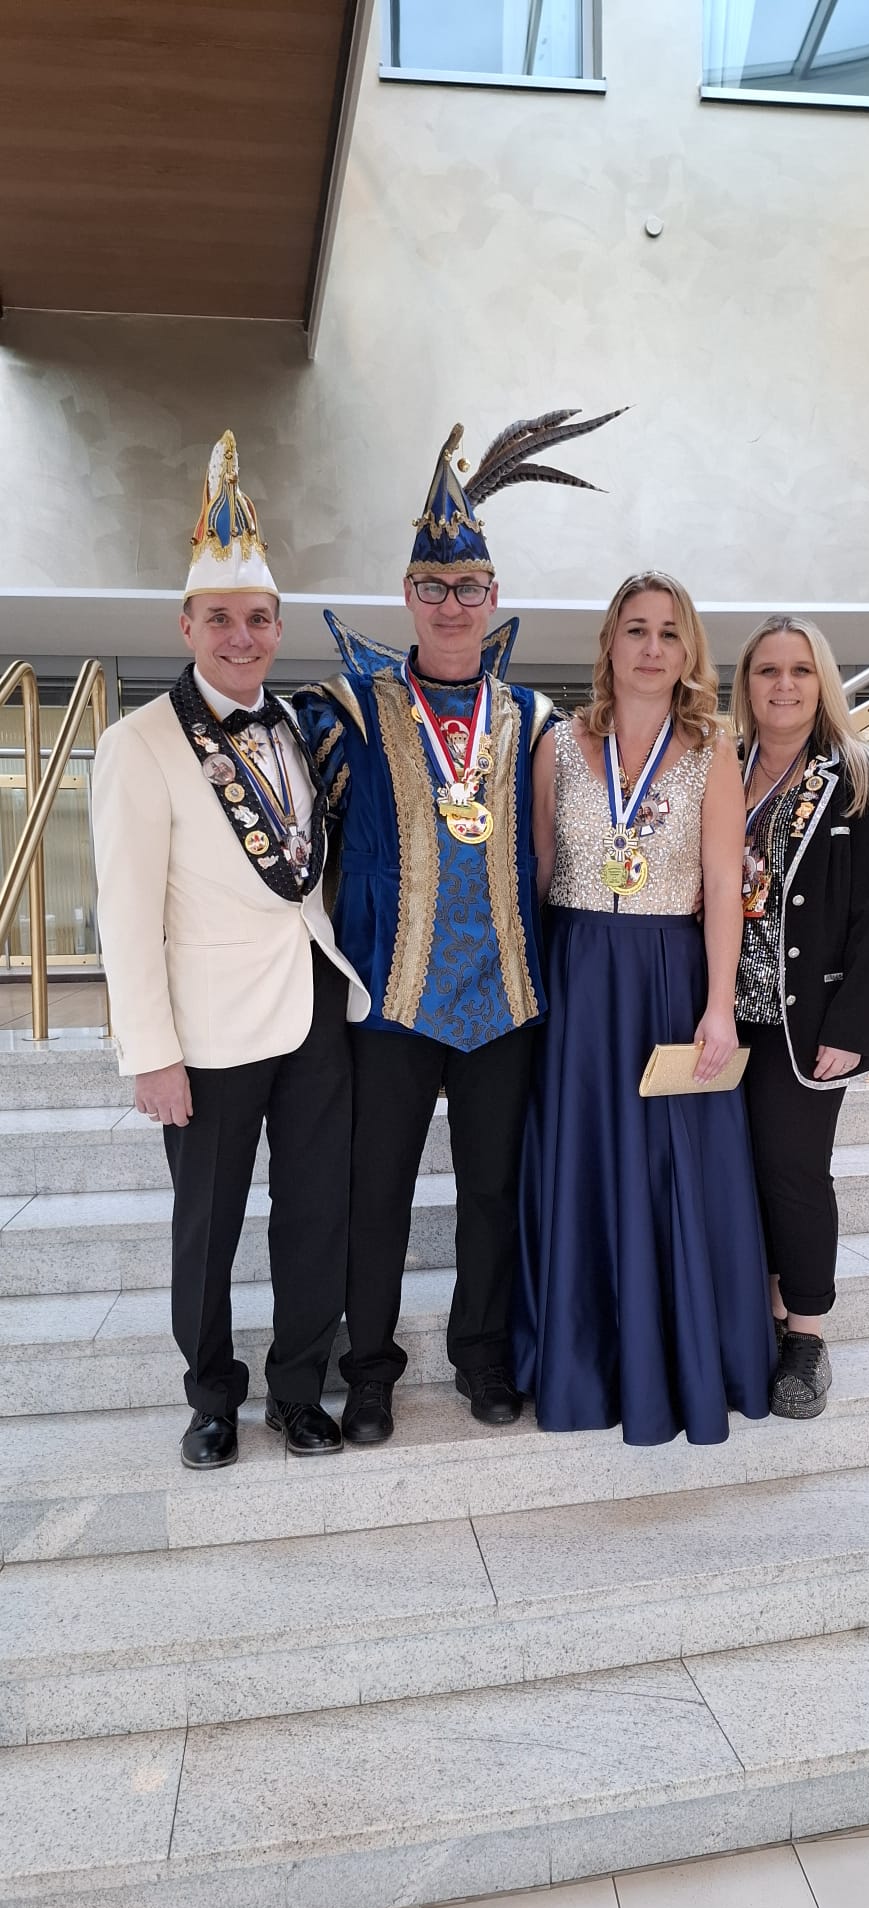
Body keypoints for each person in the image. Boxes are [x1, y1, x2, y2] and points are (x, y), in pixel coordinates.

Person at [294, 407, 622, 1444]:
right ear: (407, 596)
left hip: (505, 1005)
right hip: (390, 1004)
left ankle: (483, 1355)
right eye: (432, 588)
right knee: (376, 1198)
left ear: (493, 597)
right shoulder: (346, 713)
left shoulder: (536, 723)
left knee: (490, 1193)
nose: (450, 605)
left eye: (468, 587)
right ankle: (370, 1372)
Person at [92, 431, 370, 1469]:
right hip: (203, 1030)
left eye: (257, 619)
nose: (241, 637)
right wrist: (149, 1052)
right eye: (220, 618)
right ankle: (211, 1397)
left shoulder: (297, 725)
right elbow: (125, 914)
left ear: (277, 626)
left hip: (312, 1006)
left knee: (316, 1215)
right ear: (187, 626)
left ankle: (299, 1389)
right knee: (206, 1227)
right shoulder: (136, 744)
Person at [513, 570, 774, 1446]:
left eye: (669, 631)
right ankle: (581, 1361)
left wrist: (718, 1008)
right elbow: (539, 875)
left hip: (667, 979)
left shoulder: (712, 752)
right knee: (581, 1162)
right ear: (610, 644)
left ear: (688, 648)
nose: (652, 647)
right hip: (578, 980)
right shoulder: (556, 745)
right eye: (636, 629)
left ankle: (679, 1363)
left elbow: (723, 889)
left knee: (671, 1169)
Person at [733, 614, 869, 1419]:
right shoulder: (722, 768)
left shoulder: (863, 777)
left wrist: (851, 1027)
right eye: (768, 670)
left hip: (804, 1023)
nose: (784, 684)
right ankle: (758, 1315)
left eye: (800, 670)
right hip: (724, 1014)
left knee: (794, 1172)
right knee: (736, 1171)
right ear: (747, 683)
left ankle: (804, 1333)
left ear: (822, 681)